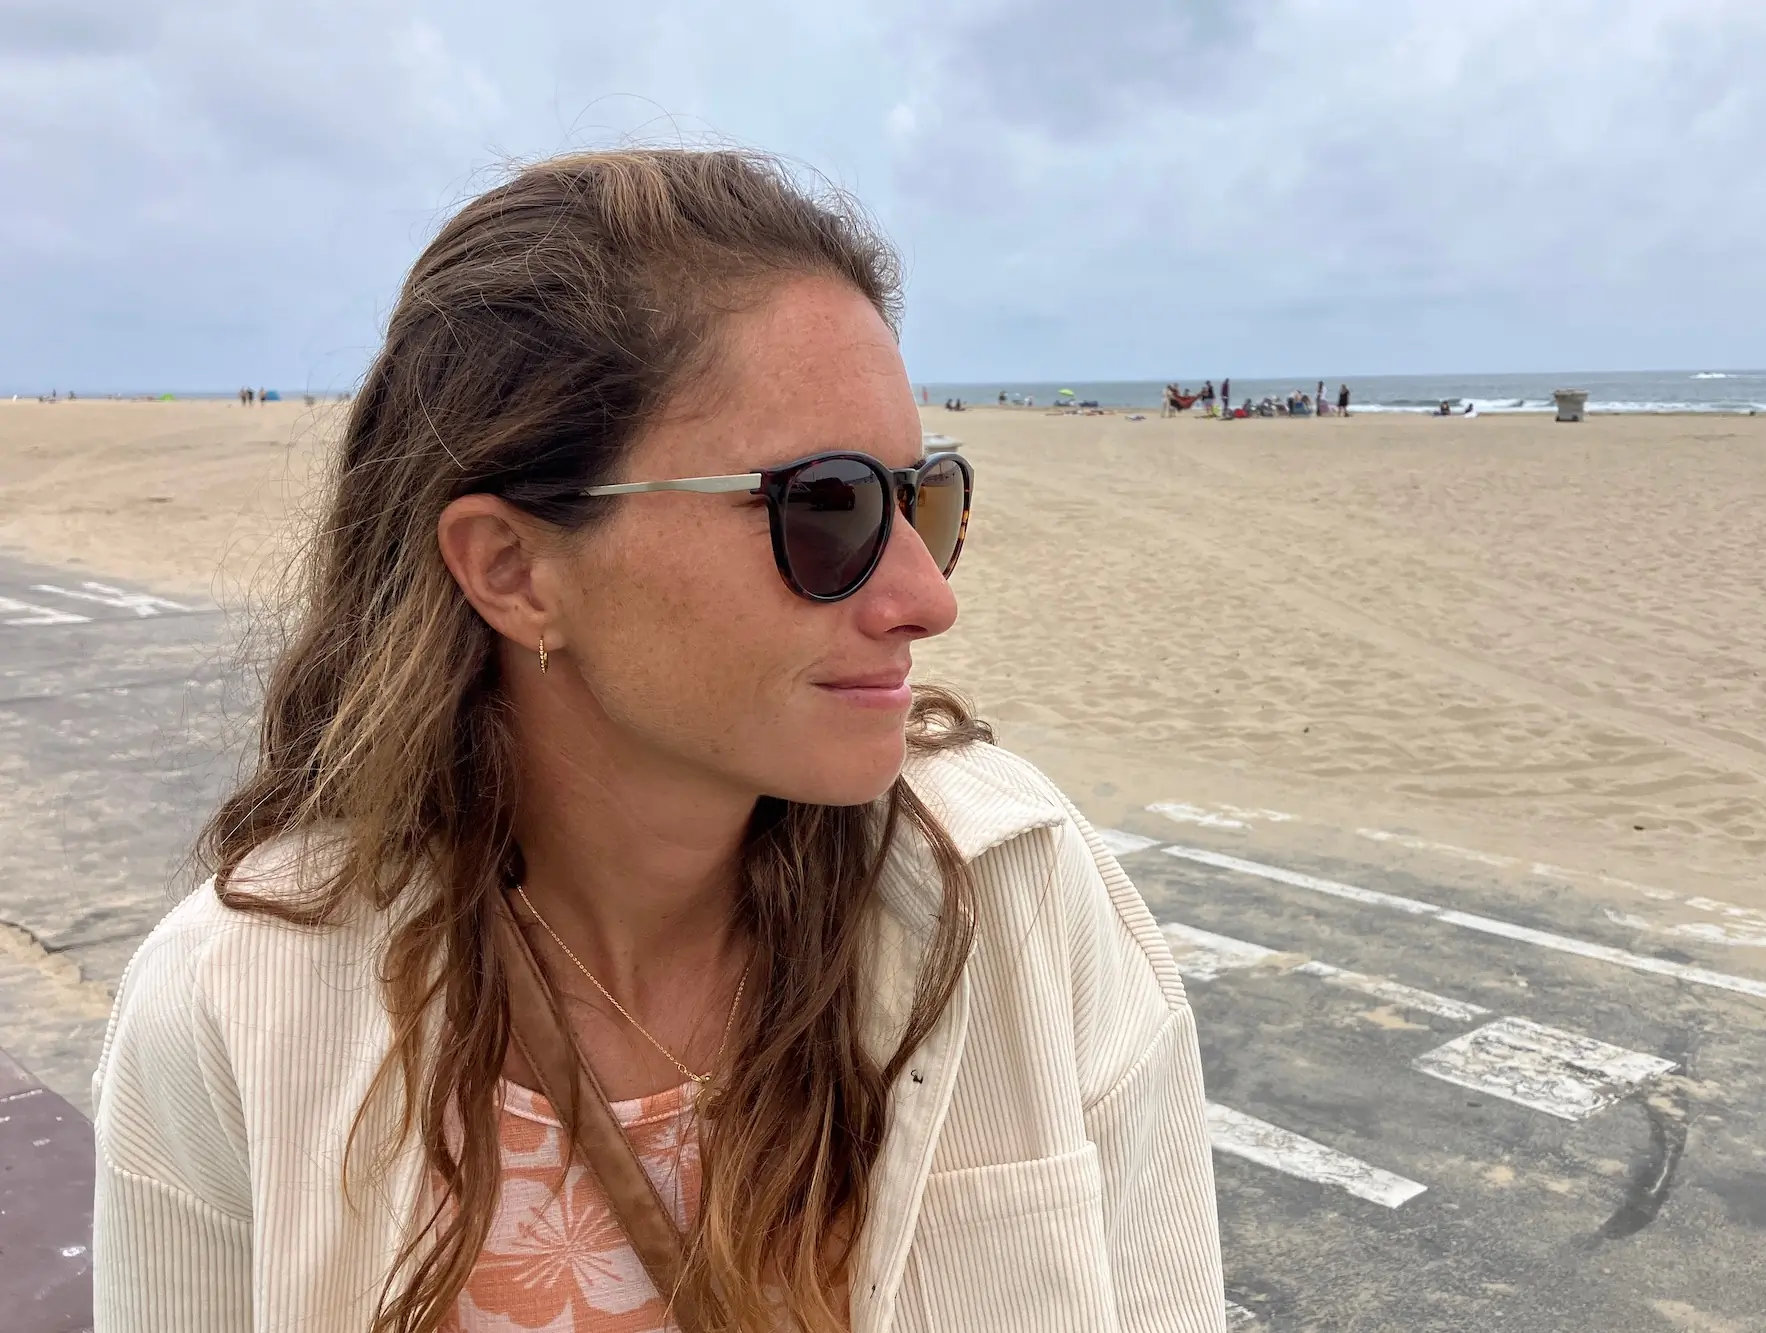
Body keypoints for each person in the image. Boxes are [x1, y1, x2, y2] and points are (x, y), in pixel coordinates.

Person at [92, 148, 1223, 1333]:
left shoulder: (1019, 897)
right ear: (515, 570)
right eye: (825, 507)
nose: (924, 598)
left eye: (922, 500)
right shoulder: (237, 1005)